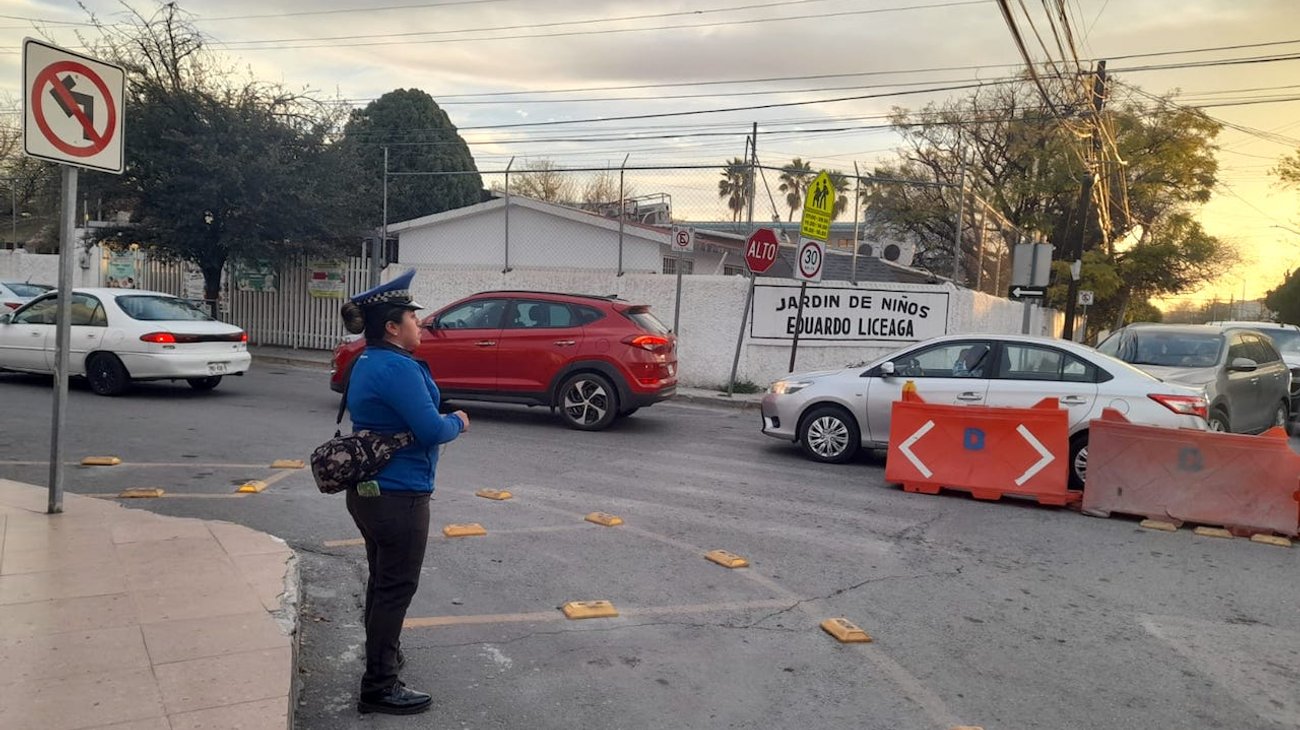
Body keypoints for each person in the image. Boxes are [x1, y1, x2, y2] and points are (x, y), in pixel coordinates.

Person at [338, 269, 469, 716]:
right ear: (393, 326)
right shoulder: (398, 367)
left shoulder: (367, 360)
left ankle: (383, 658)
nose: (420, 323)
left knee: (382, 582)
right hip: (399, 497)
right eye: (413, 317)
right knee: (395, 588)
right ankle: (379, 686)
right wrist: (458, 421)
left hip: (370, 494)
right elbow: (432, 429)